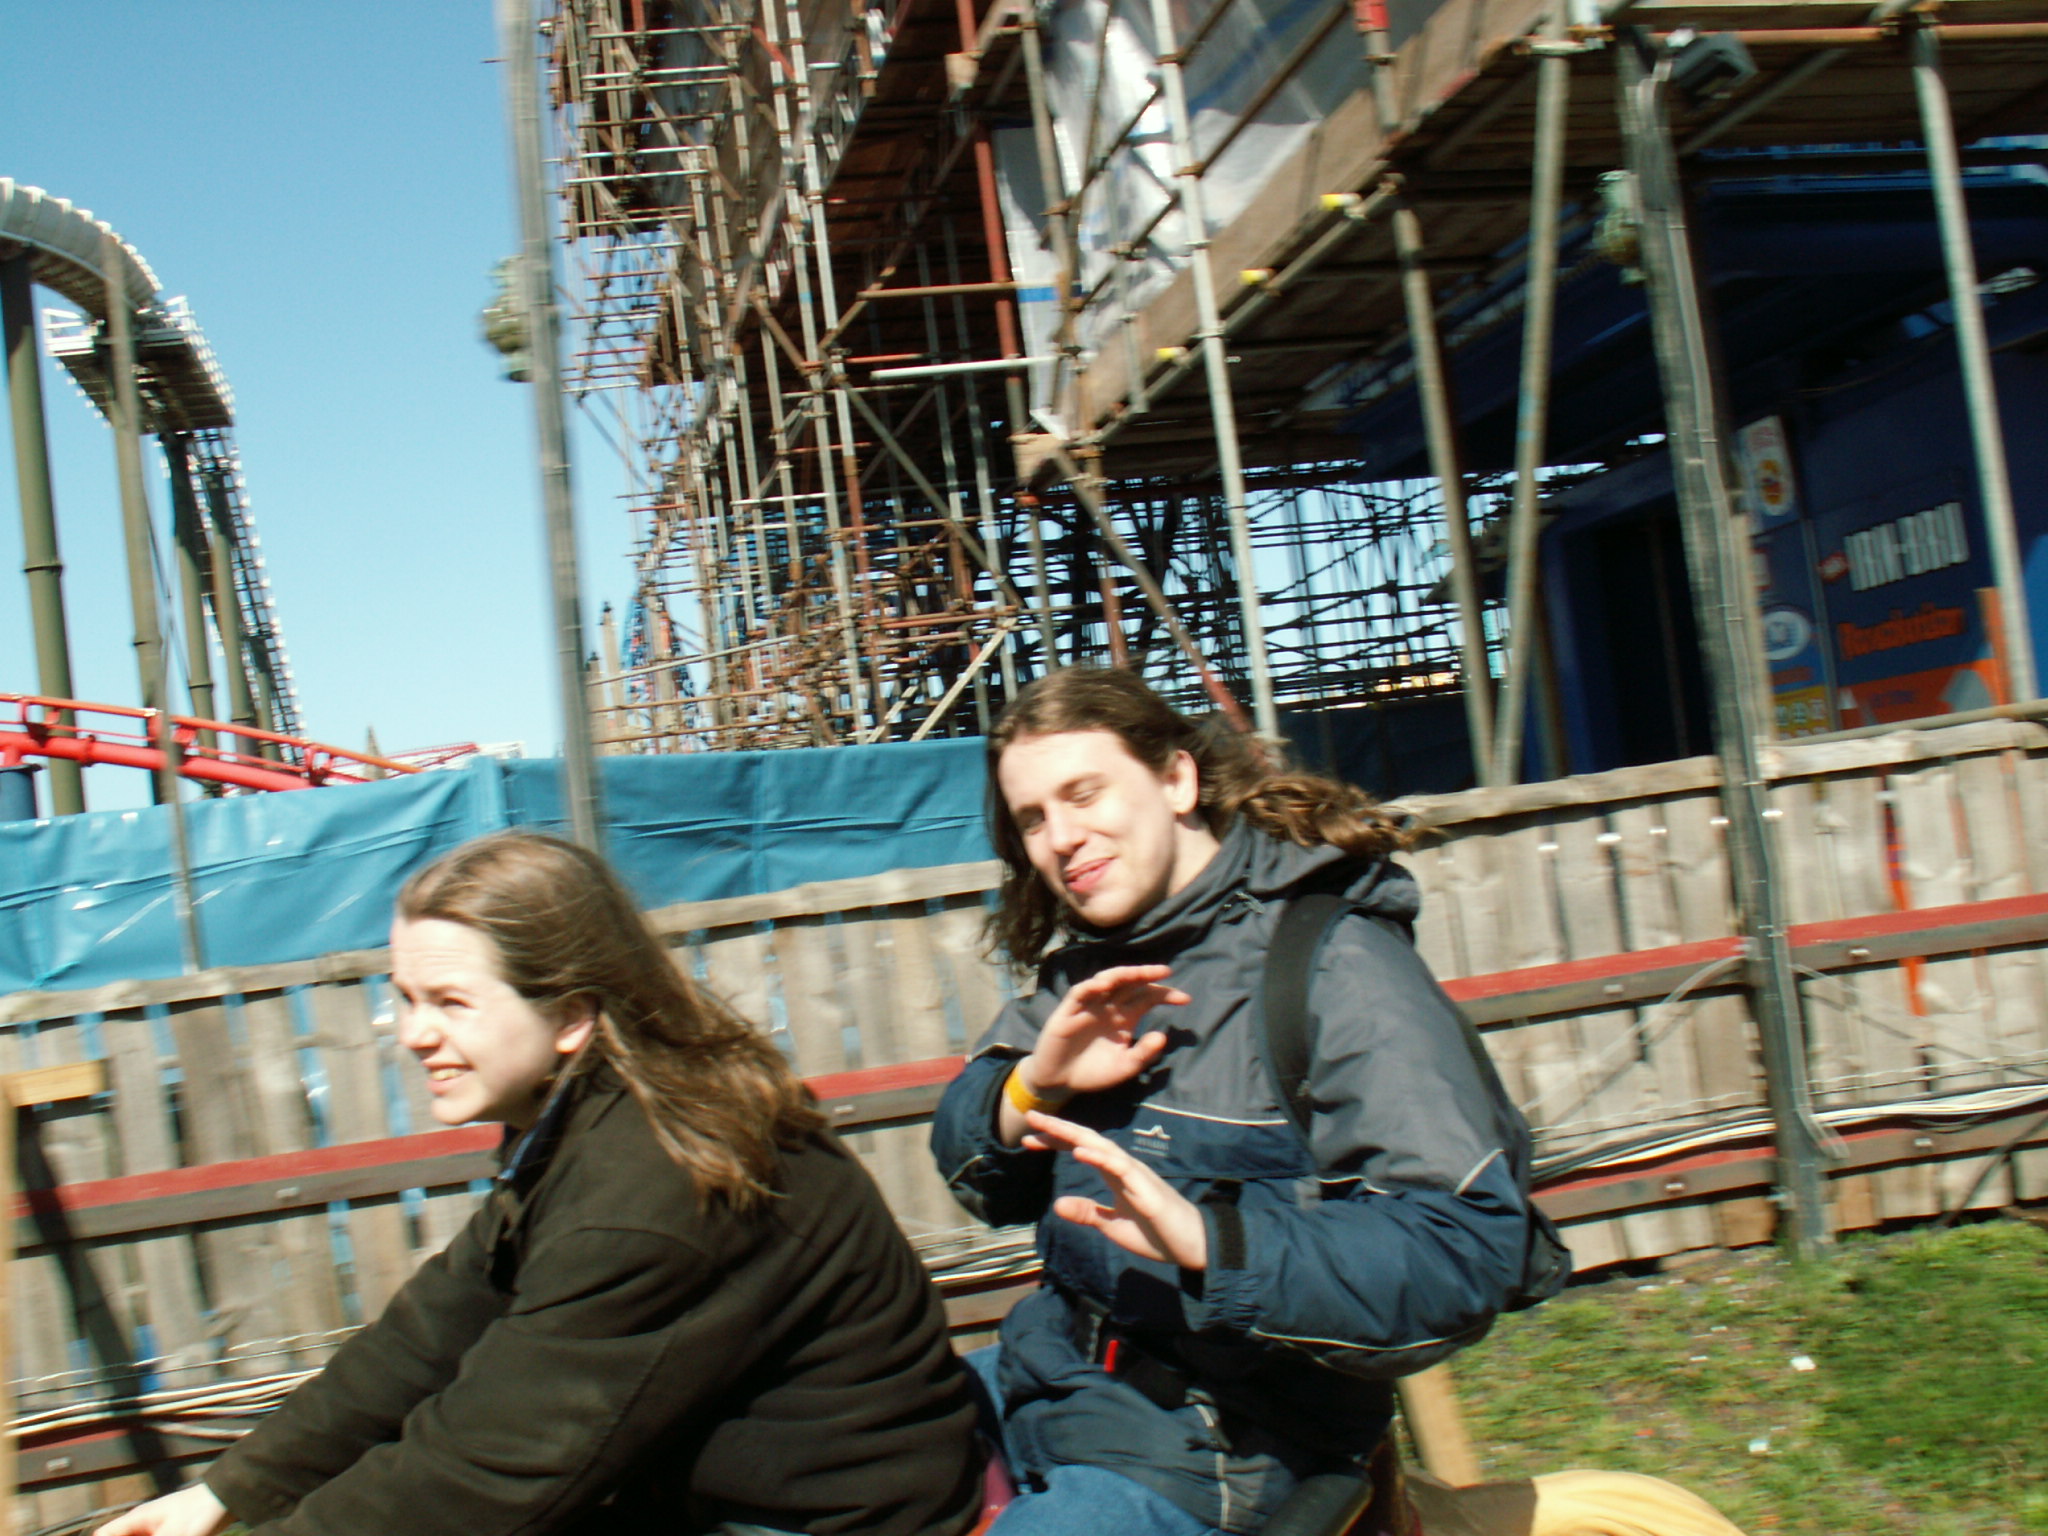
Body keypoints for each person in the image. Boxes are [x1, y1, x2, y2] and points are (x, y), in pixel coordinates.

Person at [100, 831, 983, 1536]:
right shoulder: (591, 1121)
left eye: (450, 1002)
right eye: (405, 998)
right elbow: (428, 1332)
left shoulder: (653, 1191)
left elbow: (488, 1466)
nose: (412, 1034)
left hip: (826, 1519)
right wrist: (225, 1492)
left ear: (569, 1016)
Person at [931, 668, 1564, 1536]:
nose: (1062, 839)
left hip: (1221, 1447)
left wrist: (1212, 1245)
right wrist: (1035, 1081)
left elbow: (1465, 1248)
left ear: (1177, 780)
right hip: (1047, 1375)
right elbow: (972, 1172)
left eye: (1084, 794)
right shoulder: (1093, 968)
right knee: (813, 1471)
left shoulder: (1334, 966)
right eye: (1034, 819)